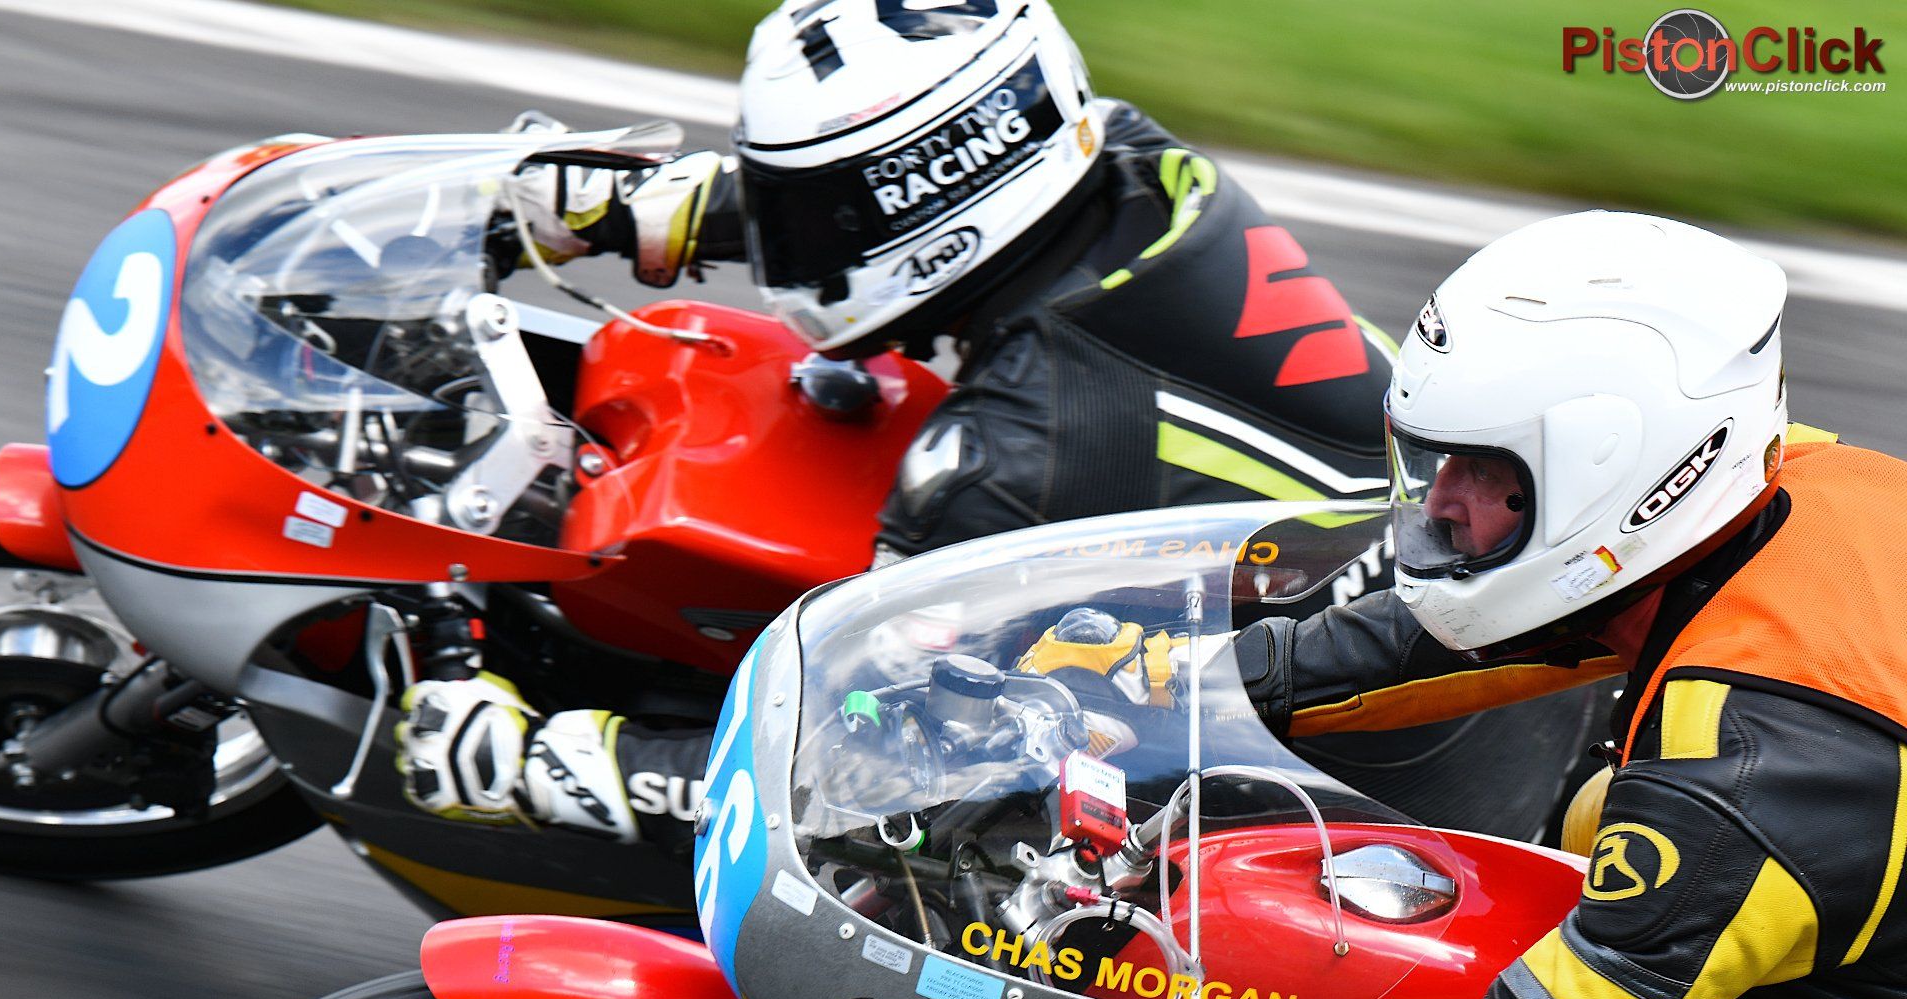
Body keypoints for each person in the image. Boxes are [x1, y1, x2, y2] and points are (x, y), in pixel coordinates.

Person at [397, 0, 1604, 849]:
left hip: (1393, 786)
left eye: (800, 210)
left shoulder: (1008, 456)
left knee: (932, 844)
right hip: (1500, 638)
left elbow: (858, 771)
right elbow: (891, 200)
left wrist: (563, 763)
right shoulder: (1128, 161)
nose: (790, 240)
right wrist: (644, 210)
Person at [962, 211, 1907, 999]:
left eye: (1480, 471)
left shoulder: (1743, 774)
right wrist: (1171, 680)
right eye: (1435, 460)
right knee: (1602, 822)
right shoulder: (1793, 495)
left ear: (1615, 472)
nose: (1440, 504)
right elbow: (1466, 621)